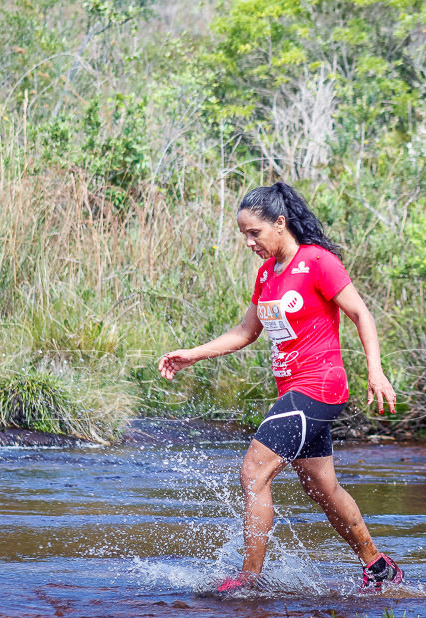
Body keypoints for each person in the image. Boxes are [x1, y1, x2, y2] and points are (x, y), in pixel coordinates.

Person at [158, 182, 402, 594]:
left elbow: (361, 314)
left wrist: (375, 372)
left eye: (254, 232)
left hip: (319, 386)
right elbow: (246, 331)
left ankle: (249, 579)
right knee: (321, 488)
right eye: (243, 235)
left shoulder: (318, 262)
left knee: (253, 470)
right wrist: (193, 354)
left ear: (280, 223)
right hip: (295, 391)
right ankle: (377, 565)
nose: (249, 242)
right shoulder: (267, 275)